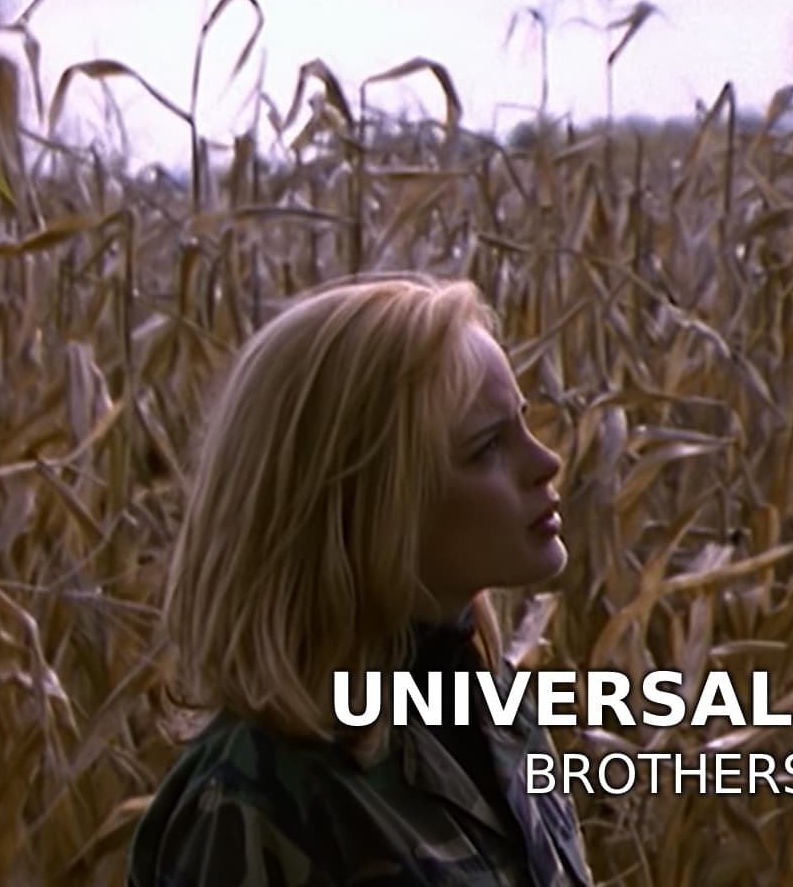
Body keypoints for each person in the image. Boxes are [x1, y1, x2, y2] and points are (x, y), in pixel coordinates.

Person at [127, 275, 596, 886]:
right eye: (487, 447)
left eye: (523, 425)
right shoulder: (256, 804)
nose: (546, 463)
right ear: (364, 503)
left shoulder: (497, 715)